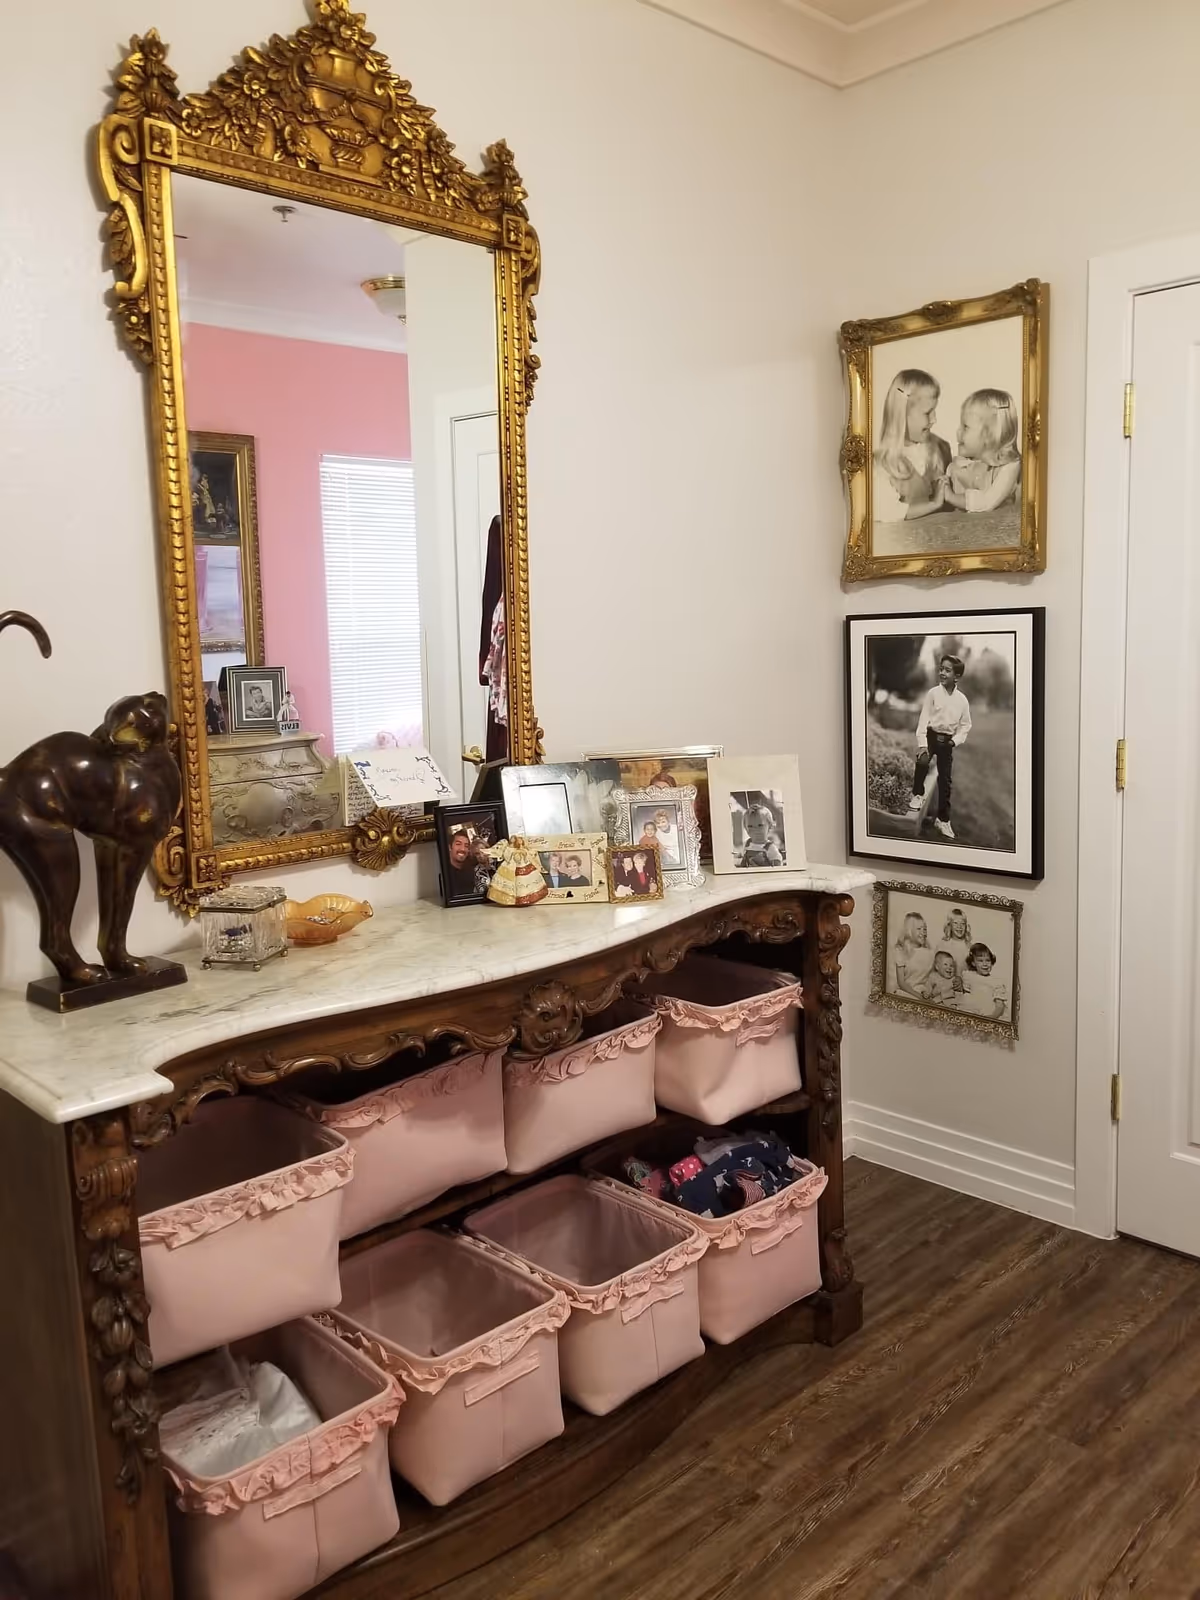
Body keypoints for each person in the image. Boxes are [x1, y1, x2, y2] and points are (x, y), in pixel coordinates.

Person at [873, 369, 953, 523]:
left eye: (934, 411)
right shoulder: (882, 464)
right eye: (928, 412)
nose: (934, 419)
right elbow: (886, 511)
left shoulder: (941, 448)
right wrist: (933, 504)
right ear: (902, 415)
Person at [908, 654, 971, 841]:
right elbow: (923, 720)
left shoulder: (962, 700)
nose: (942, 672)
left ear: (957, 676)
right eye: (941, 668)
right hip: (930, 736)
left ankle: (943, 820)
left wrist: (955, 740)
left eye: (947, 670)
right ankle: (918, 795)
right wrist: (922, 744)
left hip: (947, 741)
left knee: (945, 781)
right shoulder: (933, 694)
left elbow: (966, 725)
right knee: (923, 761)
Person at [942, 389, 1022, 514]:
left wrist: (951, 497)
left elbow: (987, 502)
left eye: (965, 427)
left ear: (989, 436)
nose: (958, 431)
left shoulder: (1009, 466)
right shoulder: (961, 464)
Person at [891, 911, 934, 998]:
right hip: (906, 992)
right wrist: (918, 996)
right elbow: (901, 983)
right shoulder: (901, 951)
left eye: (925, 929)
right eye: (919, 929)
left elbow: (931, 978)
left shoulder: (929, 953)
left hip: (923, 992)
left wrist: (927, 993)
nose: (923, 932)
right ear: (909, 931)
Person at [959, 942, 1007, 1019]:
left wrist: (992, 1017)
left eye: (988, 960)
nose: (985, 964)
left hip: (989, 1014)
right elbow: (964, 993)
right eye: (980, 961)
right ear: (973, 963)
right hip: (972, 1012)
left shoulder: (996, 982)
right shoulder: (969, 976)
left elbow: (1000, 1005)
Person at [738, 803, 784, 868]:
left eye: (760, 825)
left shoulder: (770, 848)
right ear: (745, 828)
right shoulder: (747, 844)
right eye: (750, 826)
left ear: (770, 826)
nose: (755, 829)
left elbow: (777, 866)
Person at [446, 829, 479, 897]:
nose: (463, 849)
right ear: (450, 847)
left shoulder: (472, 870)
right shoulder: (446, 874)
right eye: (458, 844)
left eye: (466, 846)